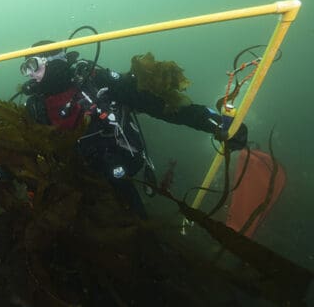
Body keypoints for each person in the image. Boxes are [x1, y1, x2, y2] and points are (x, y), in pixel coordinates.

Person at [17, 39, 248, 218]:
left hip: (118, 174)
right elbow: (22, 147)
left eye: (33, 66)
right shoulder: (35, 105)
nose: (31, 76)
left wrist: (213, 122)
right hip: (71, 186)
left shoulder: (96, 82)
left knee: (138, 232)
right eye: (25, 69)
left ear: (55, 61)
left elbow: (156, 105)